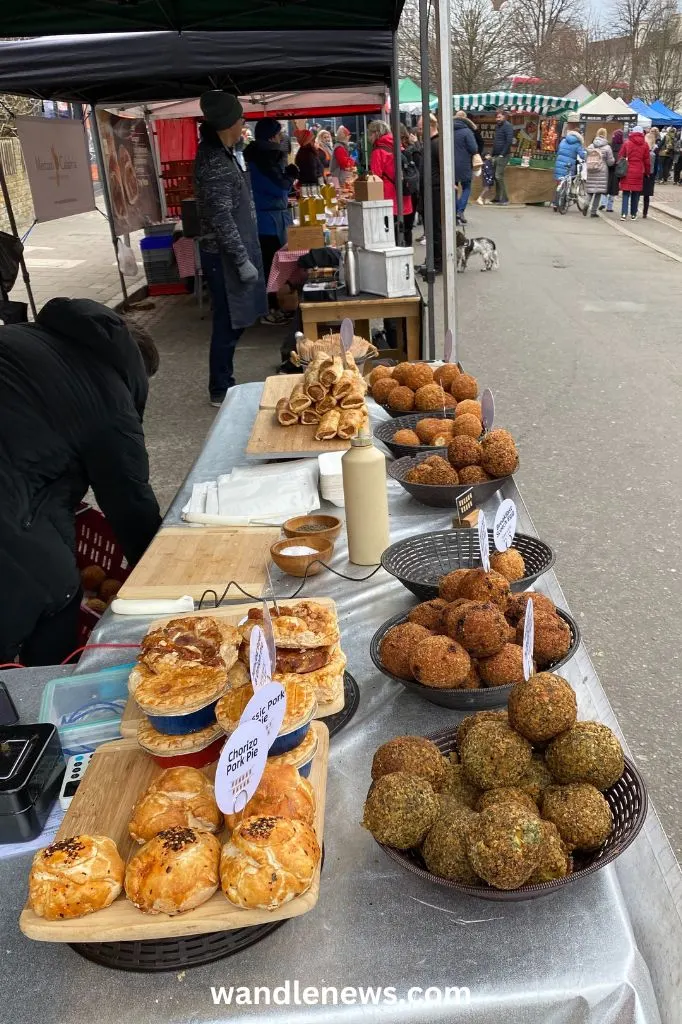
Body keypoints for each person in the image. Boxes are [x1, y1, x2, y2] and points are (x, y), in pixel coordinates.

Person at [0, 298, 161, 665]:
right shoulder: (109, 396)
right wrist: (154, 577)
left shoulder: (25, 337)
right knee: (54, 592)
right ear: (134, 370)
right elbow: (130, 500)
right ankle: (37, 697)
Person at [195, 91, 267, 406]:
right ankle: (220, 387)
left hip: (232, 250)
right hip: (222, 256)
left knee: (237, 319)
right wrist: (240, 259)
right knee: (228, 321)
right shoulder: (213, 162)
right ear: (229, 123)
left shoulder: (224, 153)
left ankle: (224, 380)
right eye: (241, 119)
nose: (244, 124)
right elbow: (221, 217)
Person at [243, 118, 297, 327]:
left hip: (270, 218)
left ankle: (276, 306)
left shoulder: (261, 156)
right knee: (269, 266)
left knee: (271, 265)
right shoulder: (264, 158)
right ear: (272, 136)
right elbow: (278, 188)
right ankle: (269, 309)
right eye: (279, 133)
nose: (281, 137)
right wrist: (290, 175)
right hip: (267, 222)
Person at [368, 119, 415, 245]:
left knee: (391, 235)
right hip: (405, 195)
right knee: (406, 231)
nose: (369, 137)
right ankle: (407, 260)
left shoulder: (378, 151)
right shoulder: (398, 145)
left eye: (370, 133)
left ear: (376, 133)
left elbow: (375, 178)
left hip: (388, 198)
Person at [417, 112, 442, 271]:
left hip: (435, 191)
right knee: (430, 229)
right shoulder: (430, 143)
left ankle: (437, 263)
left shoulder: (436, 143)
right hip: (429, 191)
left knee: (435, 229)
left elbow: (442, 168)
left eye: (420, 128)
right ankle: (431, 260)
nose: (419, 131)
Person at [618, 125, 650, 220]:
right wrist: (647, 172)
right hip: (639, 170)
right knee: (635, 194)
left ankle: (624, 214)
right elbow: (647, 161)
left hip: (627, 170)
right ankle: (633, 214)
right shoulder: (645, 145)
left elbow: (620, 156)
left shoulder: (627, 143)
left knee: (626, 193)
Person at [453, 111, 478, 224]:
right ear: (466, 119)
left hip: (450, 164)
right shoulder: (467, 131)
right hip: (464, 164)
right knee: (466, 187)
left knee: (453, 188)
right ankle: (460, 210)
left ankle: (454, 212)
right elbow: (473, 149)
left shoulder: (447, 130)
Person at [552, 124, 585, 209]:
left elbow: (559, 149)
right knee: (568, 183)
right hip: (569, 165)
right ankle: (563, 203)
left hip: (559, 163)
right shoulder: (578, 144)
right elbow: (582, 155)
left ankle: (555, 203)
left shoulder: (563, 140)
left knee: (559, 183)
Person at [584, 128, 614, 218]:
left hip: (591, 169)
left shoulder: (591, 146)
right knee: (598, 192)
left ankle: (586, 204)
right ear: (605, 135)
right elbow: (610, 162)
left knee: (590, 190)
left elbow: (586, 157)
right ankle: (593, 212)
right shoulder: (607, 147)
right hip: (602, 171)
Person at [491, 109, 515, 204]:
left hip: (503, 155)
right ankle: (497, 197)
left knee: (498, 176)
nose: (497, 119)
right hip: (496, 154)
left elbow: (509, 141)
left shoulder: (508, 126)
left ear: (504, 117)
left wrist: (502, 154)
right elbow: (496, 141)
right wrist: (493, 154)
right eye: (497, 117)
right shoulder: (498, 126)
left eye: (499, 117)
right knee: (496, 176)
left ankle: (505, 198)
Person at [600, 128, 623, 212]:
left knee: (605, 186)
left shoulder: (609, 145)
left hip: (608, 168)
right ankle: (609, 207)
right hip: (617, 170)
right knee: (613, 189)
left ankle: (603, 203)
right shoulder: (623, 146)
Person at [642, 127, 658, 218]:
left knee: (636, 193)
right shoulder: (655, 150)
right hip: (650, 174)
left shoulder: (642, 149)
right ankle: (645, 212)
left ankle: (634, 210)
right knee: (646, 195)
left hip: (642, 172)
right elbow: (656, 165)